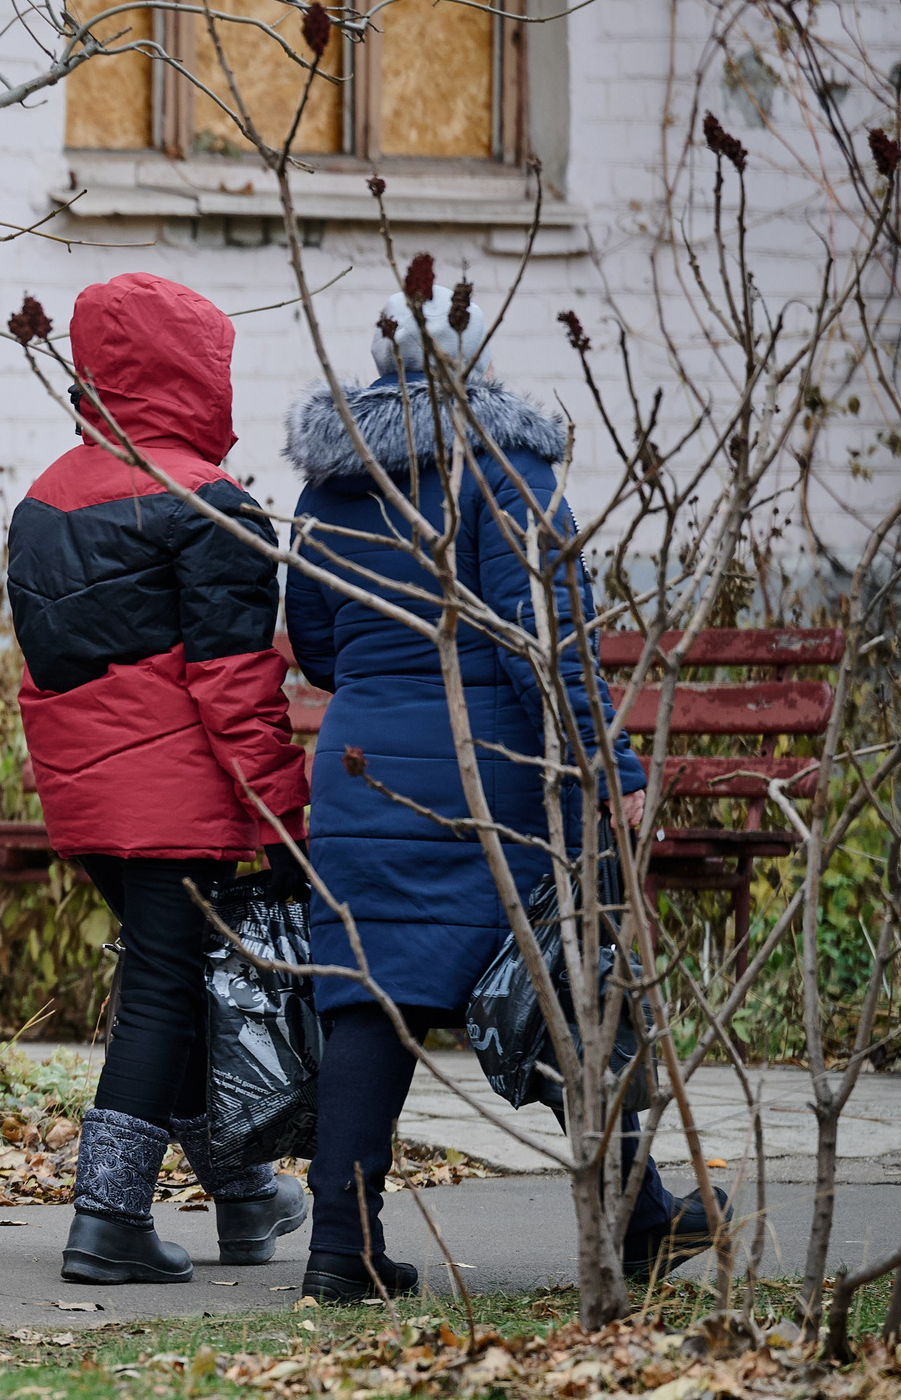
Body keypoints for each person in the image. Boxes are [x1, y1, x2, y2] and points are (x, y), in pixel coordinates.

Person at [283, 291, 725, 1302]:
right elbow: (549, 649)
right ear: (474, 368)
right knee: (573, 991)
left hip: (360, 777)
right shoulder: (502, 469)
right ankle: (635, 1225)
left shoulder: (328, 489)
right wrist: (609, 773)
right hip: (492, 783)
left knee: (364, 1002)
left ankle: (337, 1251)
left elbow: (311, 645)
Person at [7, 273, 315, 1286]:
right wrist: (282, 811)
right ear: (196, 373)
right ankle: (107, 1219)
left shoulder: (44, 498)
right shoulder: (209, 507)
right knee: (161, 993)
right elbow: (235, 686)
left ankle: (240, 1196)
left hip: (85, 792)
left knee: (170, 989)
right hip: (177, 794)